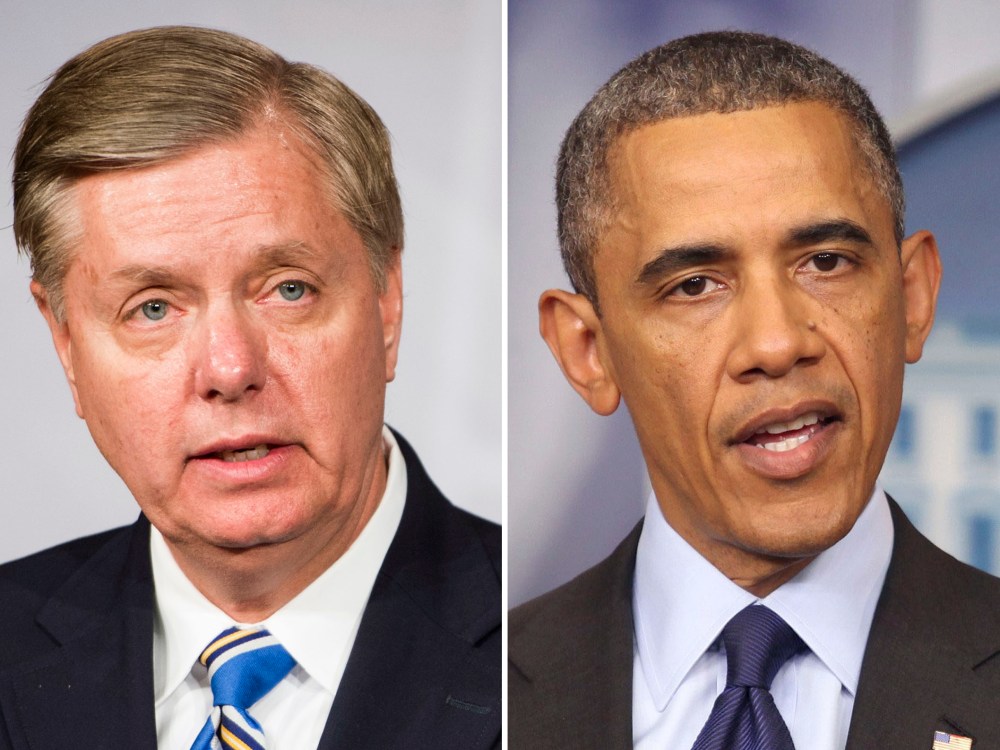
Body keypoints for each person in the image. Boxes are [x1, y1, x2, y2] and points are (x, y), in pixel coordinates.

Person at [0, 26, 499, 749]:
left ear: (387, 301)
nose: (231, 370)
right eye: (153, 308)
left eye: (287, 289)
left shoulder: (535, 642)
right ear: (67, 343)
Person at [509, 30, 1000, 749]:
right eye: (695, 286)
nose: (777, 343)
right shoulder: (493, 702)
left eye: (826, 262)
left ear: (913, 298)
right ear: (589, 352)